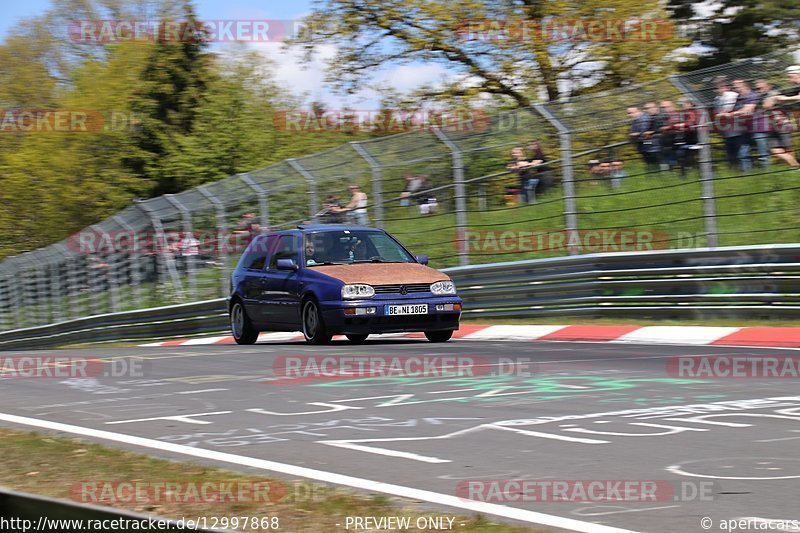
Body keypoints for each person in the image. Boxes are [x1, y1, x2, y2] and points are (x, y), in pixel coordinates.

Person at [712, 76, 741, 170]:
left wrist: (721, 114)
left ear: (723, 86)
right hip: (726, 131)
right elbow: (717, 113)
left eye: (717, 87)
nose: (716, 90)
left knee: (740, 154)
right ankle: (734, 172)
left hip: (737, 130)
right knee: (730, 155)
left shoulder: (732, 95)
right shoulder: (717, 99)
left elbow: (729, 110)